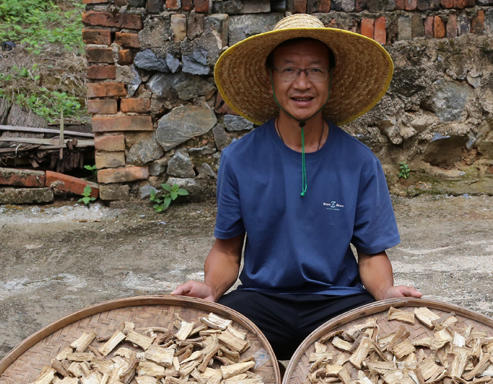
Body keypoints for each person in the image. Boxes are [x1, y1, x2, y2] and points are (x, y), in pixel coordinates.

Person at [172, 14, 421, 360]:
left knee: (389, 354)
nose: (302, 83)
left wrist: (386, 292)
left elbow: (371, 255)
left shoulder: (360, 162)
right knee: (200, 348)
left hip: (338, 301)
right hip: (262, 301)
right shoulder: (238, 159)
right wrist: (210, 288)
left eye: (315, 70)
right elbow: (228, 251)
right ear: (270, 79)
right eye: (289, 70)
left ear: (331, 80)